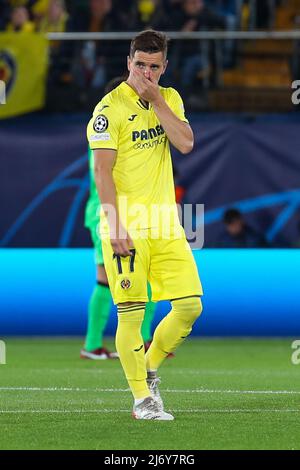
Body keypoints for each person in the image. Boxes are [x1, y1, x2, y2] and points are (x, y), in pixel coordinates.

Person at [87, 30, 203, 420]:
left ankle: (150, 368)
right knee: (132, 314)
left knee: (190, 307)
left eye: (155, 67)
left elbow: (185, 143)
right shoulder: (109, 109)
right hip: (127, 226)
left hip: (166, 224)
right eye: (141, 65)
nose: (147, 73)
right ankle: (142, 399)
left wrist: (156, 102)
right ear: (128, 63)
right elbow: (102, 170)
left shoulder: (168, 98)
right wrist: (114, 222)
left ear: (164, 67)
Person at [81, 76, 157, 360]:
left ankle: (141, 340)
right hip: (108, 214)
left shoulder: (119, 133)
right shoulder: (106, 132)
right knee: (108, 279)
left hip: (121, 213)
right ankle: (94, 344)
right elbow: (105, 178)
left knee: (141, 276)